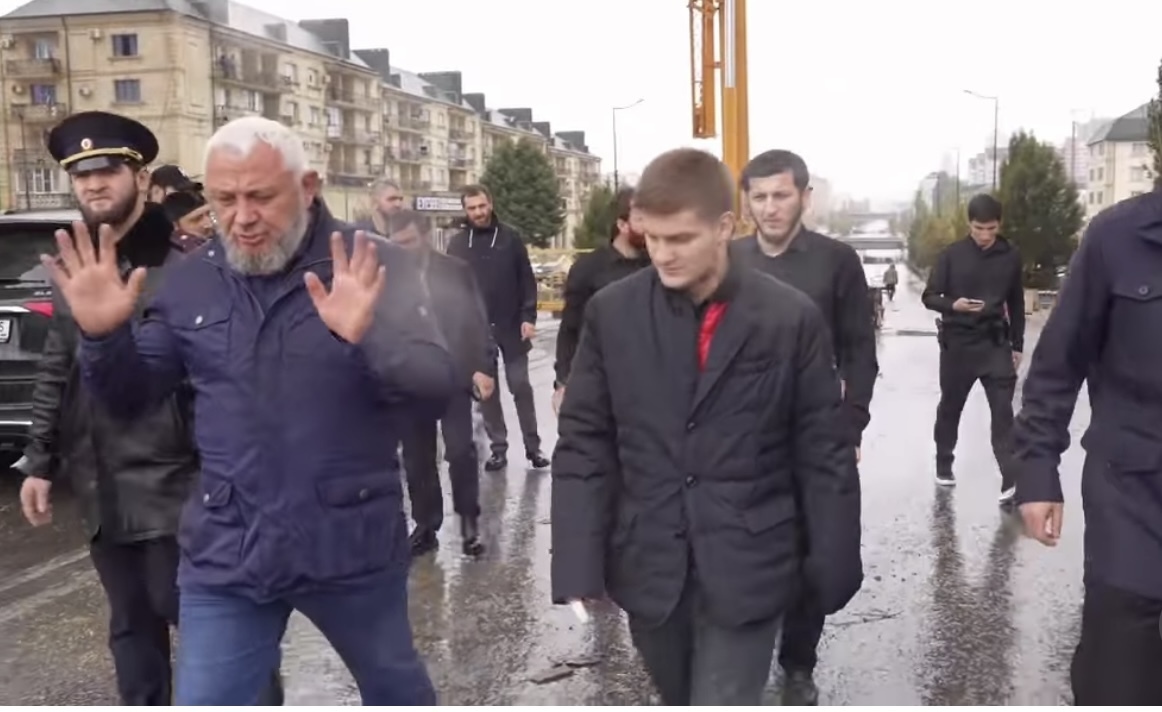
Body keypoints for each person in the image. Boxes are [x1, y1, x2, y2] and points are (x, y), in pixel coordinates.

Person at [42, 116, 456, 705]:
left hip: (347, 541)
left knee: (395, 689)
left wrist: (369, 338)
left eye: (260, 196)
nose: (241, 217)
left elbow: (435, 391)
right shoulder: (192, 281)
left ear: (307, 187)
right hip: (228, 549)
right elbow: (129, 400)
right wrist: (104, 337)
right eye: (224, 199)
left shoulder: (372, 265)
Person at [550, 148, 862, 706]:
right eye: (652, 237)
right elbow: (584, 444)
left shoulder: (789, 319)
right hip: (649, 566)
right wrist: (576, 558)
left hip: (750, 563)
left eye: (680, 239)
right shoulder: (613, 314)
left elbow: (822, 450)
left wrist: (834, 558)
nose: (662, 254)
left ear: (724, 227)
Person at [17, 111, 282, 706]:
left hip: (182, 491)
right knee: (133, 642)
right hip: (104, 492)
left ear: (141, 178)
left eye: (108, 171)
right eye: (81, 175)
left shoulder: (192, 264)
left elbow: (237, 380)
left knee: (225, 644)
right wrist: (40, 460)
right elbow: (58, 366)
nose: (93, 185)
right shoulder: (79, 263)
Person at [731, 148, 877, 705]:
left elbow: (859, 350)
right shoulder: (728, 260)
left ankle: (798, 662)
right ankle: (745, 652)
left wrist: (851, 423)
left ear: (804, 197)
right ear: (747, 202)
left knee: (812, 553)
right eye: (760, 197)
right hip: (740, 439)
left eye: (781, 195)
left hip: (814, 436)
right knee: (745, 549)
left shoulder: (837, 262)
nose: (770, 207)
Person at [1013, 190, 1162, 705]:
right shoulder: (1116, 237)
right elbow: (1058, 365)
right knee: (1118, 676)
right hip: (1133, 495)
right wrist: (1037, 471)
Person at [384, 209, 497, 557]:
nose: (403, 250)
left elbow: (477, 320)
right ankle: (426, 526)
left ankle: (469, 527)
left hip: (454, 374)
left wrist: (484, 367)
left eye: (409, 242)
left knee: (461, 452)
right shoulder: (386, 275)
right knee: (417, 459)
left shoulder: (455, 270)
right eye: (396, 243)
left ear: (425, 235)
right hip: (410, 379)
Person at [921, 194, 1024, 501]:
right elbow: (929, 296)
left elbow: (1016, 303)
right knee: (951, 407)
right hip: (958, 344)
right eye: (979, 228)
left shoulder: (1010, 256)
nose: (985, 235)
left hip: (995, 343)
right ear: (970, 224)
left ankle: (1010, 478)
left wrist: (1017, 345)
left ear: (999, 225)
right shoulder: (951, 255)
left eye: (991, 229)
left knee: (1003, 412)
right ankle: (944, 462)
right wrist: (954, 305)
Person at [447, 184, 549, 471]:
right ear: (465, 210)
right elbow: (451, 287)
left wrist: (528, 316)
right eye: (472, 208)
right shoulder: (457, 244)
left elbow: (526, 280)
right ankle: (498, 448)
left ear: (490, 204)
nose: (478, 212)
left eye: (482, 206)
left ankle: (533, 448)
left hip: (512, 325)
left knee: (520, 386)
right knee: (487, 392)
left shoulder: (510, 238)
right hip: (476, 331)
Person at [552, 185, 651, 414]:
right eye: (641, 219)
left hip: (648, 383)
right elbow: (570, 329)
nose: (650, 226)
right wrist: (563, 382)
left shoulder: (657, 266)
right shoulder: (589, 269)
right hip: (600, 382)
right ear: (622, 225)